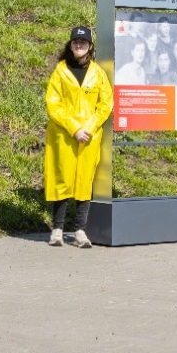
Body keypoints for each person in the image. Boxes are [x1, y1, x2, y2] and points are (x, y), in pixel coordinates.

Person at [43, 26, 113, 248]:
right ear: (71, 45)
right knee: (62, 179)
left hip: (89, 136)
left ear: (90, 46)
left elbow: (105, 104)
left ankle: (80, 230)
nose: (79, 45)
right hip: (64, 134)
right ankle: (57, 229)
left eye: (83, 42)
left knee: (84, 180)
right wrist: (74, 128)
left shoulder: (97, 73)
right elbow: (53, 104)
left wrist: (89, 128)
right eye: (76, 42)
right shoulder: (60, 71)